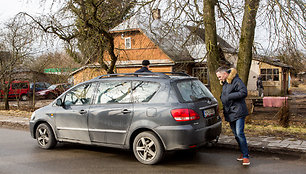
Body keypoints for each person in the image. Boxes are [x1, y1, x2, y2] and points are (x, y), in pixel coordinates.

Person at [216, 66, 250, 166]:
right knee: (236, 134)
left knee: (240, 133)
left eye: (219, 76)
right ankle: (243, 152)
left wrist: (229, 97)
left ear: (225, 74)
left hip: (238, 111)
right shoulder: (225, 83)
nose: (219, 79)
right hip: (230, 112)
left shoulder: (236, 80)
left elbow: (244, 92)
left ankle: (246, 157)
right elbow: (224, 96)